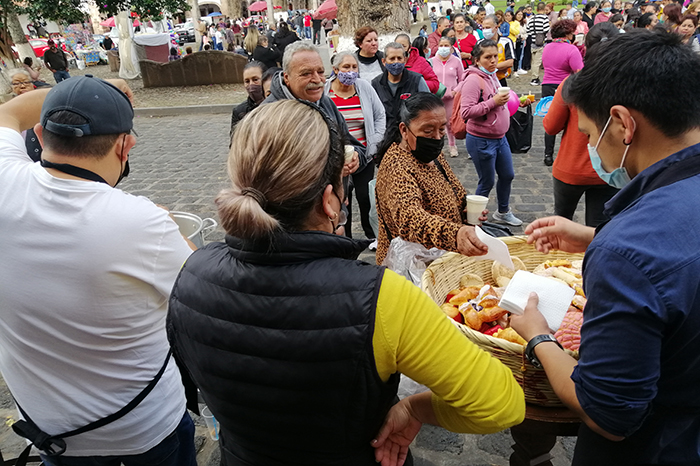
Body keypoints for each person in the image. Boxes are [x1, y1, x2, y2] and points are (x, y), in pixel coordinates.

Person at [168, 96, 525, 466]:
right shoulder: (382, 297)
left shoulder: (189, 274)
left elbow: (193, 388)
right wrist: (415, 408)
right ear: (329, 202)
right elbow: (502, 404)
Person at [512, 30, 700, 464]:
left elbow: (609, 414)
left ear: (622, 124)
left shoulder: (627, 250)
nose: (590, 146)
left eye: (589, 133)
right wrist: (592, 236)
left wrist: (539, 336)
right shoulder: (632, 242)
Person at [0, 76, 197, 466]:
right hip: (142, 429)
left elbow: (8, 112)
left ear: (39, 134)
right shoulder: (142, 222)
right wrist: (171, 228)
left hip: (51, 430)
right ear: (125, 145)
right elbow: (203, 287)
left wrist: (83, 90)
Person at [374, 92, 491, 263]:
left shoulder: (432, 155)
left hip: (443, 258)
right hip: (414, 266)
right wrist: (455, 234)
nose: (436, 137)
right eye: (428, 131)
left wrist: (466, 210)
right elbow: (410, 219)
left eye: (442, 129)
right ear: (404, 130)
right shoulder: (396, 166)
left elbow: (453, 189)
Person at [542, 23, 619, 227]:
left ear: (586, 47)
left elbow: (550, 127)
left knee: (561, 226)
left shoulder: (572, 84)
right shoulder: (627, 85)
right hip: (609, 170)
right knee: (598, 231)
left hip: (571, 167)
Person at [264, 42, 363, 179]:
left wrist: (355, 158)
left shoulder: (326, 103)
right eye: (306, 73)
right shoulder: (266, 116)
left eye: (321, 72)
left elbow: (349, 143)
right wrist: (330, 171)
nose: (317, 79)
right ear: (287, 78)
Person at [461, 40, 524, 227]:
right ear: (477, 60)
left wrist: (518, 101)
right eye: (488, 57)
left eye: (495, 56)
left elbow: (501, 102)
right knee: (487, 181)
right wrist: (493, 102)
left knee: (507, 175)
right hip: (481, 139)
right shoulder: (473, 80)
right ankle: (473, 221)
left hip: (500, 137)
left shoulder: (493, 76)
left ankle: (503, 212)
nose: (493, 60)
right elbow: (466, 112)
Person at [325, 52, 386, 242]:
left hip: (363, 155)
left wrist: (374, 142)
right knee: (342, 199)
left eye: (354, 67)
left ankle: (372, 236)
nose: (351, 71)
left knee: (365, 197)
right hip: (335, 160)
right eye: (346, 67)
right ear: (335, 70)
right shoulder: (325, 92)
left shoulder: (364, 87)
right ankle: (346, 238)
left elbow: (379, 115)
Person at [541, 19, 584, 166]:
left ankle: (548, 153)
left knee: (550, 120)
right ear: (568, 33)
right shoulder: (571, 50)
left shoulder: (547, 47)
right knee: (569, 121)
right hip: (565, 86)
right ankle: (566, 154)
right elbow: (579, 71)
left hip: (547, 85)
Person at [371, 42, 431, 132]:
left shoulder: (417, 80)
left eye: (399, 58)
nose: (396, 62)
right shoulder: (376, 84)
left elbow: (428, 107)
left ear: (405, 60)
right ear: (384, 61)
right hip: (385, 135)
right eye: (392, 59)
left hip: (411, 133)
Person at [431, 36, 465, 158]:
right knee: (436, 124)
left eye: (446, 46)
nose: (443, 48)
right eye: (441, 45)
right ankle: (437, 148)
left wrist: (455, 90)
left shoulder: (456, 61)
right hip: (436, 98)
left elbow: (462, 79)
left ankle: (452, 145)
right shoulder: (432, 61)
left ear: (451, 48)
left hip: (451, 98)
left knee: (450, 123)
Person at [230, 61, 267, 142]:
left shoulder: (276, 106)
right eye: (247, 81)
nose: (251, 84)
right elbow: (234, 143)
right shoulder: (239, 111)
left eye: (255, 79)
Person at [481, 15, 516, 86]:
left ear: (496, 27)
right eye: (483, 28)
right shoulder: (479, 43)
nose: (485, 30)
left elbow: (510, 62)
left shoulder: (506, 41)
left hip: (500, 79)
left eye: (488, 28)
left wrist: (491, 68)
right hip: (484, 80)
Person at [526, 2, 551, 86]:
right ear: (544, 9)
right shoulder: (545, 18)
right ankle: (535, 78)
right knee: (537, 62)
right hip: (541, 42)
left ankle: (534, 77)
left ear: (536, 9)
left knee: (533, 62)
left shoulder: (532, 18)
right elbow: (546, 29)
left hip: (533, 42)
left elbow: (528, 30)